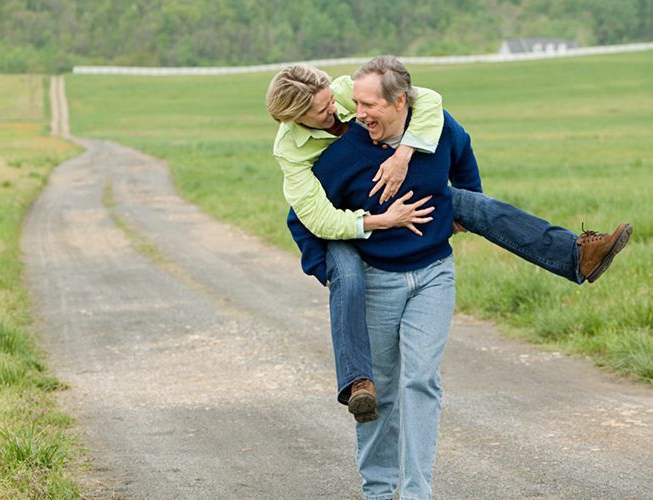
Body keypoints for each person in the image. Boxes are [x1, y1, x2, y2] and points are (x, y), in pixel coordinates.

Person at [266, 62, 632, 424]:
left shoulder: (350, 92)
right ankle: (357, 380)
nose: (336, 109)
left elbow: (433, 108)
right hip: (341, 218)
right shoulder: (294, 152)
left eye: (332, 99)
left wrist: (418, 165)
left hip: (396, 190)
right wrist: (370, 231)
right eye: (322, 110)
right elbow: (309, 219)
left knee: (476, 204)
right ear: (297, 118)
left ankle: (577, 255)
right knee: (346, 272)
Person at [287, 55, 480, 498]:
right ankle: (377, 491)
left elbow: (463, 154)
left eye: (369, 104)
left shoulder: (436, 127)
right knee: (383, 392)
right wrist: (335, 278)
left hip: (434, 275)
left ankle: (416, 492)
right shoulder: (343, 155)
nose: (358, 113)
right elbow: (301, 221)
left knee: (422, 381)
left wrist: (465, 209)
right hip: (376, 282)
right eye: (356, 102)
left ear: (400, 103)